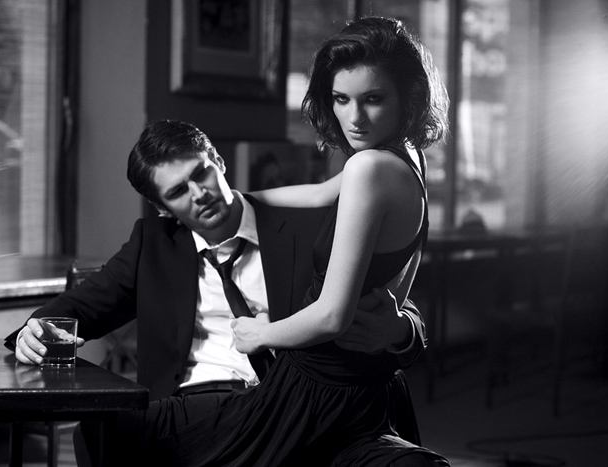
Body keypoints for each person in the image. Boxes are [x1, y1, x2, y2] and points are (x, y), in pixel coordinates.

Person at [4, 118, 428, 464]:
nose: (200, 194)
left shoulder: (302, 226)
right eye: (178, 192)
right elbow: (75, 310)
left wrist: (399, 330)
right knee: (102, 429)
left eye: (201, 173)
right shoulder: (152, 246)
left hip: (287, 401)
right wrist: (32, 331)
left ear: (219, 162)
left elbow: (394, 305)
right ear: (162, 208)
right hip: (193, 406)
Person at [144, 16, 450, 466]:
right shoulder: (404, 156)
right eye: (341, 99)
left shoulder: (369, 169)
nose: (354, 118)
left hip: (319, 387)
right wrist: (234, 201)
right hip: (361, 382)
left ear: (409, 96)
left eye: (373, 99)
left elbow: (331, 316)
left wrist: (260, 334)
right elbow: (321, 194)